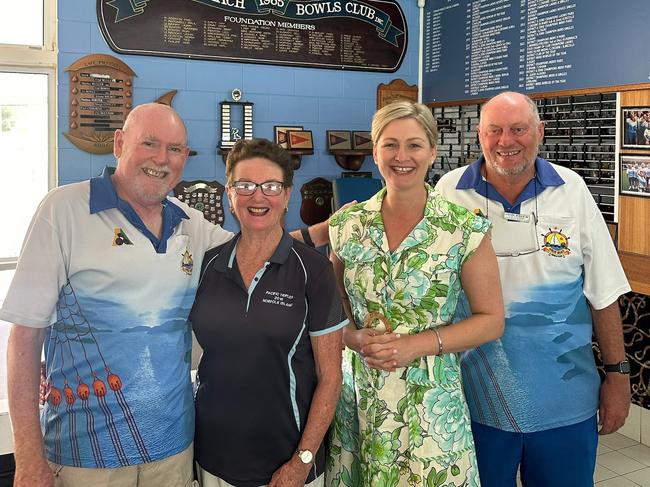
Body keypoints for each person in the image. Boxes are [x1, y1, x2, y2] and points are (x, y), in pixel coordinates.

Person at [1, 103, 328, 487]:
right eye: (150, 143)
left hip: (173, 450)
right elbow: (24, 338)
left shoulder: (190, 224)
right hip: (84, 455)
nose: (162, 159)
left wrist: (332, 229)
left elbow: (262, 247)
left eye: (175, 149)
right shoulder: (63, 210)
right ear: (119, 143)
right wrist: (27, 455)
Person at [435, 91, 631, 487]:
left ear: (539, 132)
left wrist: (618, 376)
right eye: (495, 130)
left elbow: (603, 293)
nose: (506, 141)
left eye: (518, 129)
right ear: (480, 134)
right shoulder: (449, 192)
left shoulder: (572, 190)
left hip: (565, 403)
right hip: (473, 401)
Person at [325, 101, 505, 486]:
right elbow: (332, 304)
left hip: (429, 404)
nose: (401, 157)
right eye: (390, 145)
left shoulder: (462, 229)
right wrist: (349, 336)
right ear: (375, 152)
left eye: (414, 145)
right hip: (360, 397)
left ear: (432, 153)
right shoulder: (345, 225)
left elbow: (491, 321)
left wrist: (417, 344)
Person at [190, 138, 346, 487]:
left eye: (271, 186)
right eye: (244, 185)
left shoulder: (314, 272)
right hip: (214, 459)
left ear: (287, 195)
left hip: (287, 467)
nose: (257, 196)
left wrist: (302, 461)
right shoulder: (209, 265)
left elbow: (330, 377)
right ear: (229, 194)